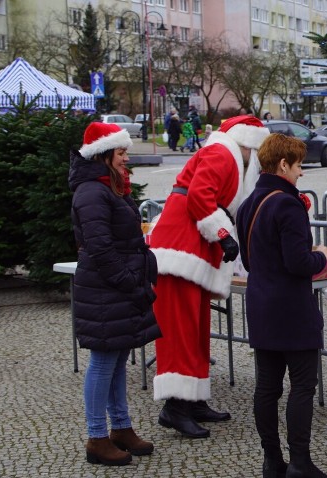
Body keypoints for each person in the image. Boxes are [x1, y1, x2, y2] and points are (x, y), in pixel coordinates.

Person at [149, 115, 269, 439]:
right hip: (179, 252)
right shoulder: (222, 154)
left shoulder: (226, 155)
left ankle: (194, 398)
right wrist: (222, 234)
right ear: (251, 144)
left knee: (197, 328)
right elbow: (199, 196)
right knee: (181, 329)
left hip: (190, 251)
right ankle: (175, 407)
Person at [236, 133, 327, 478]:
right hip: (291, 308)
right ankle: (300, 462)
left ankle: (272, 461)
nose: (302, 172)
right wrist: (320, 255)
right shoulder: (287, 204)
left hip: (261, 304)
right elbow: (298, 263)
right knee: (303, 385)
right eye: (299, 165)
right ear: (283, 165)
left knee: (267, 386)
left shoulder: (249, 203)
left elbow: (248, 261)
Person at [68, 122, 161, 466]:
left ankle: (120, 428)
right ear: (104, 155)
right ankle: (96, 437)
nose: (126, 159)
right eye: (121, 153)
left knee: (119, 357)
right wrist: (130, 283)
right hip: (107, 288)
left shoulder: (108, 187)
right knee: (104, 361)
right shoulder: (92, 191)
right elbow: (101, 249)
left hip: (117, 287)